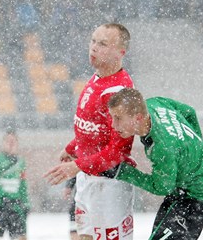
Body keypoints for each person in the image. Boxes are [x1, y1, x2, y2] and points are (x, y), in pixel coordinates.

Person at [43, 23, 136, 240]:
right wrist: (73, 147)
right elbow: (94, 127)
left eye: (103, 44)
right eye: (93, 41)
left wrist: (76, 166)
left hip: (109, 184)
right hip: (88, 176)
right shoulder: (96, 78)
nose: (93, 47)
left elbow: (118, 151)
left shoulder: (120, 92)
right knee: (83, 236)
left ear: (120, 52)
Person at [105, 88, 203, 239]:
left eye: (118, 118)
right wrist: (196, 149)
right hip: (190, 187)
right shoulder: (156, 104)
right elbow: (189, 111)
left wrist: (123, 172)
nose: (113, 124)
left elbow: (162, 187)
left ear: (138, 118)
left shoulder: (163, 147)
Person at [0, 129, 30, 240]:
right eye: (8, 141)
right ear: (3, 143)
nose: (11, 144)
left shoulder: (21, 162)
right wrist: (1, 198)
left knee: (21, 236)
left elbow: (23, 184)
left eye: (13, 141)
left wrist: (25, 202)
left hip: (16, 205)